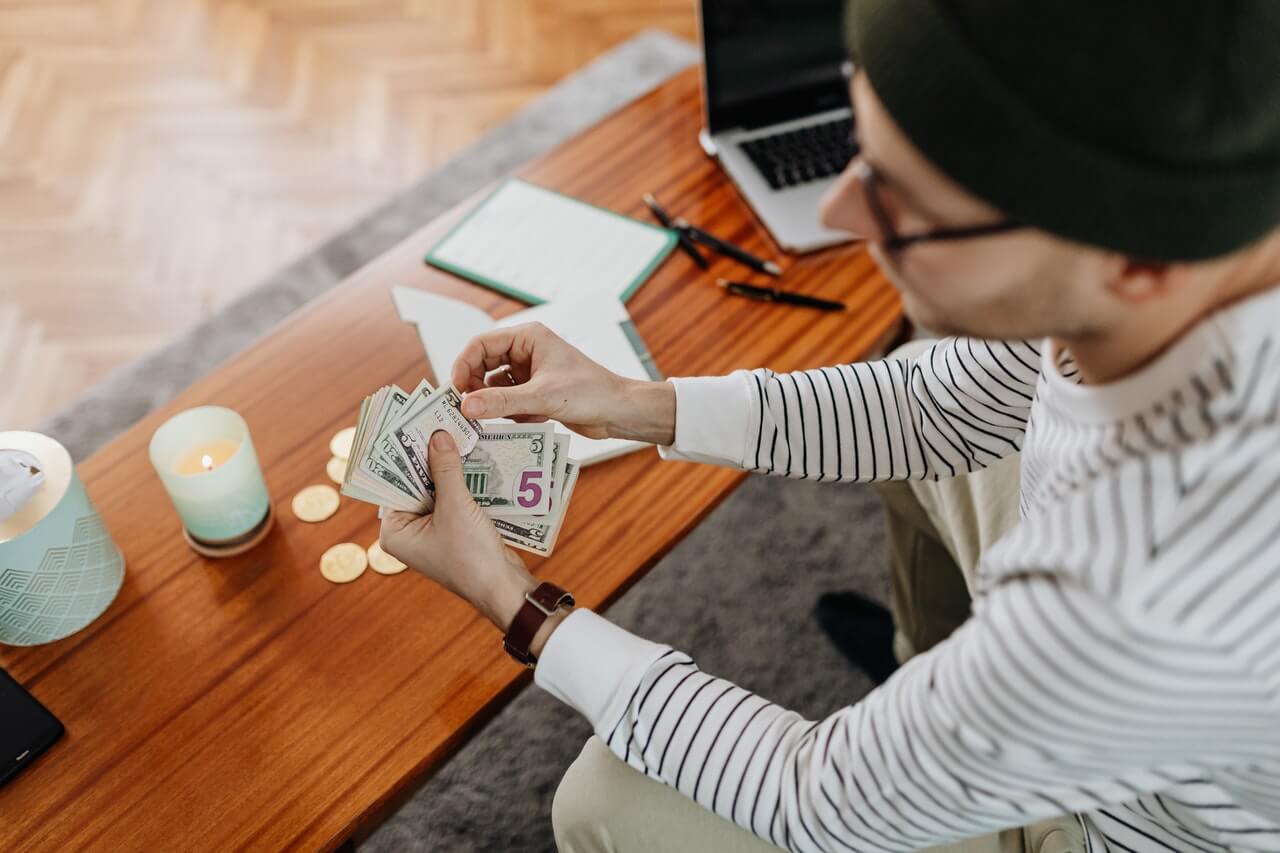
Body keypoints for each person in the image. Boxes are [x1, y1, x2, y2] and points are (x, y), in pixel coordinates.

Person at [378, 1, 1280, 850]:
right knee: (926, 430)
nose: (840, 214)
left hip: (1113, 825)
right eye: (862, 154)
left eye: (902, 206)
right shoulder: (1186, 233)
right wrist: (633, 401)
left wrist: (517, 600)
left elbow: (819, 796)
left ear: (1136, 265)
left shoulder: (1148, 583)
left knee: (601, 798)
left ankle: (961, 725)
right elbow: (939, 402)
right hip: (1129, 674)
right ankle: (934, 682)